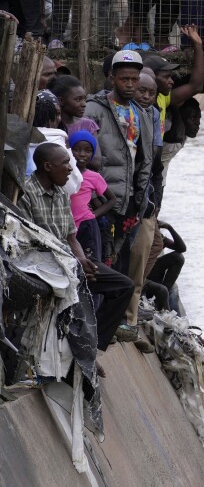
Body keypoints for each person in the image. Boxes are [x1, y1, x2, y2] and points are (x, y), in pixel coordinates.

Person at [22, 142, 134, 351]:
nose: (71, 168)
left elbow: (72, 238)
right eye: (65, 163)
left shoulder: (62, 194)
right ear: (48, 166)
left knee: (123, 286)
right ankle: (82, 346)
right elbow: (30, 243)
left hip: (70, 261)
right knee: (79, 289)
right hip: (44, 264)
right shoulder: (26, 194)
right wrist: (75, 264)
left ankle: (93, 344)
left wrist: (82, 260)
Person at [83, 49, 157, 333]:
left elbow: (144, 159)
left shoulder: (144, 113)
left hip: (129, 200)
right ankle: (95, 321)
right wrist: (96, 194)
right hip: (100, 200)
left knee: (117, 259)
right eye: (124, 78)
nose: (130, 84)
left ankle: (110, 324)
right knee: (98, 261)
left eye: (134, 79)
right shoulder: (95, 109)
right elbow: (85, 154)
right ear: (112, 78)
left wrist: (141, 199)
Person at [67, 130, 115, 265]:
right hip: (66, 224)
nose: (82, 154)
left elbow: (112, 200)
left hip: (86, 225)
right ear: (70, 151)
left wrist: (93, 214)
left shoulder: (94, 177)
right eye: (77, 149)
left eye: (88, 151)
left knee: (92, 263)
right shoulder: (64, 173)